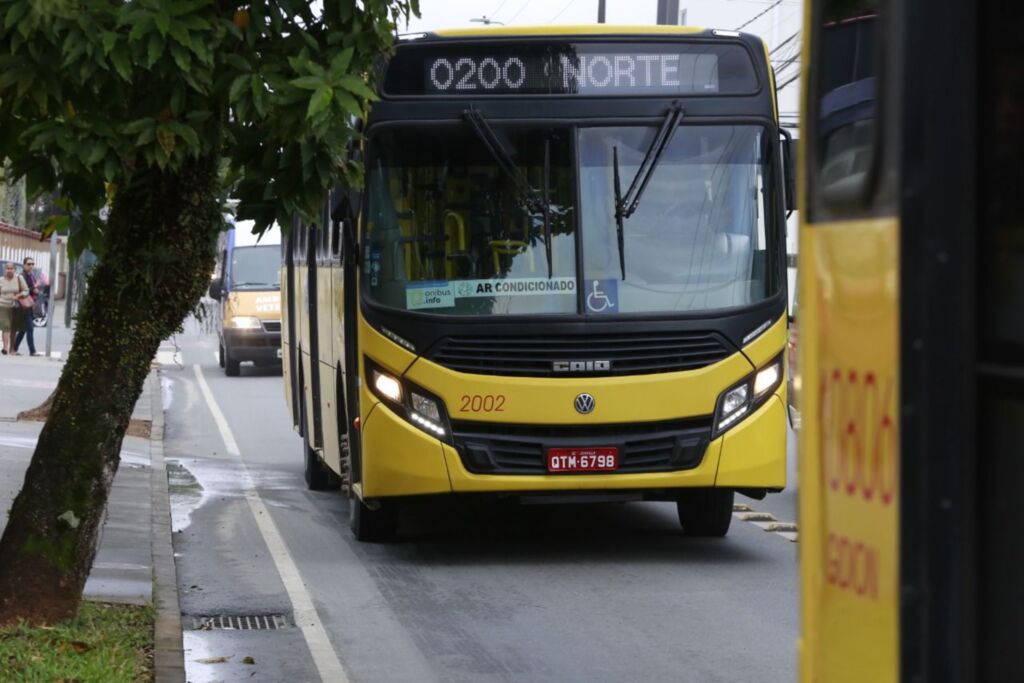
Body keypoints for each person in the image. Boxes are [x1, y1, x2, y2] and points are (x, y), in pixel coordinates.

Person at [13, 257, 41, 356]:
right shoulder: (22, 276)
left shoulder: (31, 275)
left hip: (29, 304)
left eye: (32, 264)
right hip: (23, 305)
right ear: (24, 265)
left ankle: (14, 348)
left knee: (23, 329)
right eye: (29, 264)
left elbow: (33, 287)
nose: (31, 266)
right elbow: (23, 289)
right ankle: (32, 351)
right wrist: (34, 289)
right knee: (30, 328)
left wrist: (36, 288)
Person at [0, 262, 30, 355]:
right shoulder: (1, 280)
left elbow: (26, 290)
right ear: (5, 270)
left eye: (11, 268)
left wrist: (19, 295)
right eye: (7, 268)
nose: (9, 270)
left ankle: (11, 349)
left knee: (13, 328)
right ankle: (5, 348)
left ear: (14, 270)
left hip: (16, 306)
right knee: (6, 326)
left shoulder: (18, 278)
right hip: (3, 305)